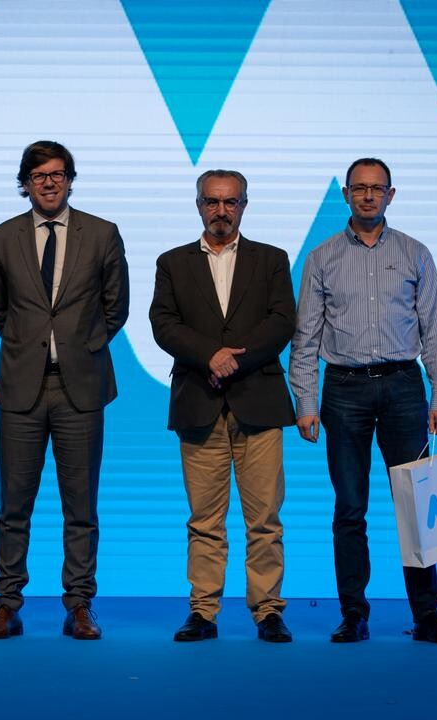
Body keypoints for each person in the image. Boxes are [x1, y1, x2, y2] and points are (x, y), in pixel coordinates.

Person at [289, 158, 437, 644]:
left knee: (416, 506)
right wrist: (306, 401)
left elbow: (434, 331)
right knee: (349, 508)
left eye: (377, 188)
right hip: (343, 390)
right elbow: (305, 338)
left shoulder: (415, 254)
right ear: (345, 194)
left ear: (391, 195)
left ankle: (427, 616)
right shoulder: (322, 258)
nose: (368, 196)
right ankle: (353, 615)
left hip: (404, 388)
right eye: (360, 188)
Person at [0, 140, 129, 640]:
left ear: (70, 180)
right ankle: (6, 605)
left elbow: (116, 308)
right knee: (12, 507)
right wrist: (32, 347)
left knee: (80, 508)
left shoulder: (102, 233)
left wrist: (79, 347)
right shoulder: (1, 237)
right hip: (22, 390)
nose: (49, 183)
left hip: (80, 390)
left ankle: (80, 605)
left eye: (58, 174)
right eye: (39, 175)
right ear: (25, 183)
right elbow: (0, 311)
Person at [149, 170, 297, 643]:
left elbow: (282, 321)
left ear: (244, 206)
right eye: (212, 202)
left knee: (265, 520)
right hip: (199, 403)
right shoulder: (172, 262)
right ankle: (203, 612)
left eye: (230, 202)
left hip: (259, 403)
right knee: (204, 520)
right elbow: (163, 323)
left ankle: (268, 611)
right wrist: (208, 355)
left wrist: (234, 360)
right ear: (198, 206)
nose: (221, 211)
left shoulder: (271, 259)